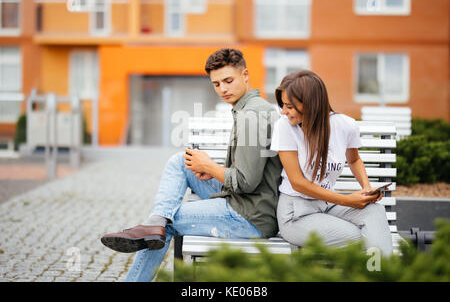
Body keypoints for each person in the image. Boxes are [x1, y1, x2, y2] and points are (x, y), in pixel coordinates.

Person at [100, 48, 282, 281]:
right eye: (216, 84)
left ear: (245, 75)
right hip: (245, 201)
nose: (223, 89)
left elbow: (245, 183)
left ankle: (154, 230)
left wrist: (209, 166)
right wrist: (207, 169)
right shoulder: (250, 109)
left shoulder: (251, 117)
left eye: (228, 80)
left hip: (249, 217)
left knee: (169, 222)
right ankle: (156, 221)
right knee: (181, 162)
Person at [270, 70, 393, 256]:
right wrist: (348, 200)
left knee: (374, 212)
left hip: (327, 205)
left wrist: (366, 188)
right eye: (283, 105)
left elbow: (354, 159)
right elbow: (297, 182)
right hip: (296, 213)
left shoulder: (345, 125)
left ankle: (381, 275)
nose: (284, 111)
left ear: (311, 105)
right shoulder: (285, 127)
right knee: (361, 236)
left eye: (289, 106)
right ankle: (378, 273)